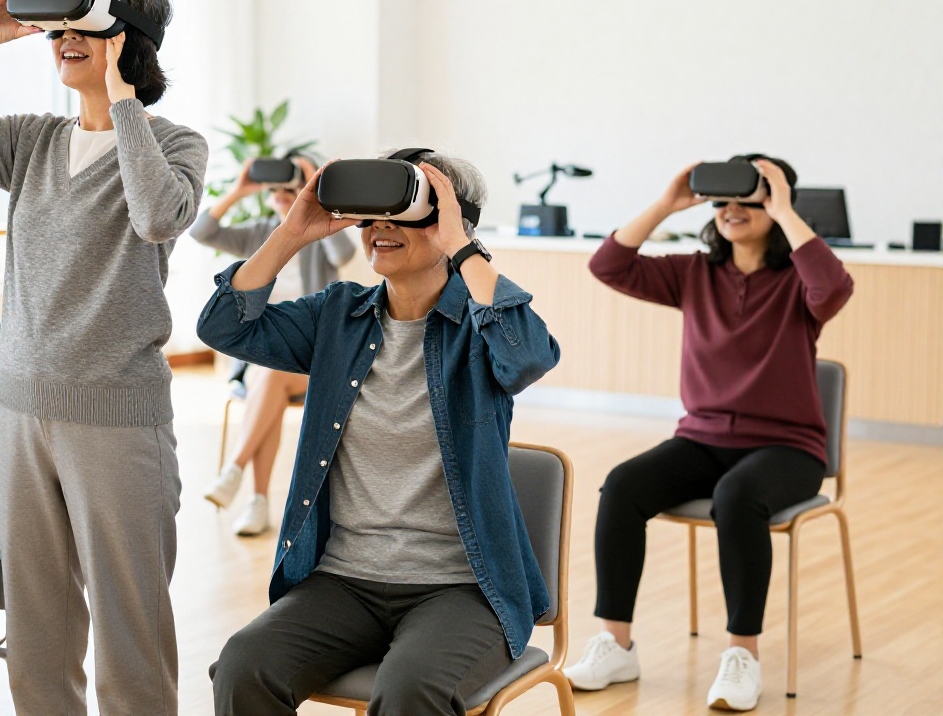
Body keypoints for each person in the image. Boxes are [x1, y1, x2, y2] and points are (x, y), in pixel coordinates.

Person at [0, 0, 206, 715]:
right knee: (36, 627)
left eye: (82, 27)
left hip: (118, 417)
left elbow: (159, 217)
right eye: (58, 30)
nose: (64, 42)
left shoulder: (177, 144)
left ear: (128, 41)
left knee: (131, 629)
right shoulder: (31, 141)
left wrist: (120, 98)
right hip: (20, 409)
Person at [198, 152, 561, 716]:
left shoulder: (481, 328)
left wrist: (463, 248)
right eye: (372, 215)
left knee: (411, 690)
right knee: (245, 666)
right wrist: (293, 231)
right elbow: (223, 325)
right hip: (343, 581)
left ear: (448, 222)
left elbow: (529, 357)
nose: (380, 229)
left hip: (463, 589)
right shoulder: (337, 316)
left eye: (403, 211)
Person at [565, 155, 854, 712]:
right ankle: (617, 643)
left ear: (777, 203)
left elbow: (834, 289)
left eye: (751, 199)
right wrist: (668, 203)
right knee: (623, 486)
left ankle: (742, 654)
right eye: (724, 200)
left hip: (789, 448)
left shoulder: (799, 281)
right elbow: (608, 265)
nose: (732, 211)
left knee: (737, 496)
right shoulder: (693, 273)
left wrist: (785, 209)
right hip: (702, 438)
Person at [194, 154, 356, 536]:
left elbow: (344, 255)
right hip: (263, 360)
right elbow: (201, 232)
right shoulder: (262, 234)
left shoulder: (319, 234)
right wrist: (239, 191)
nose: (284, 196)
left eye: (293, 188)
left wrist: (314, 203)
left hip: (313, 357)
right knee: (269, 379)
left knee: (271, 379)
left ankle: (242, 478)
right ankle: (254, 498)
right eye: (279, 189)